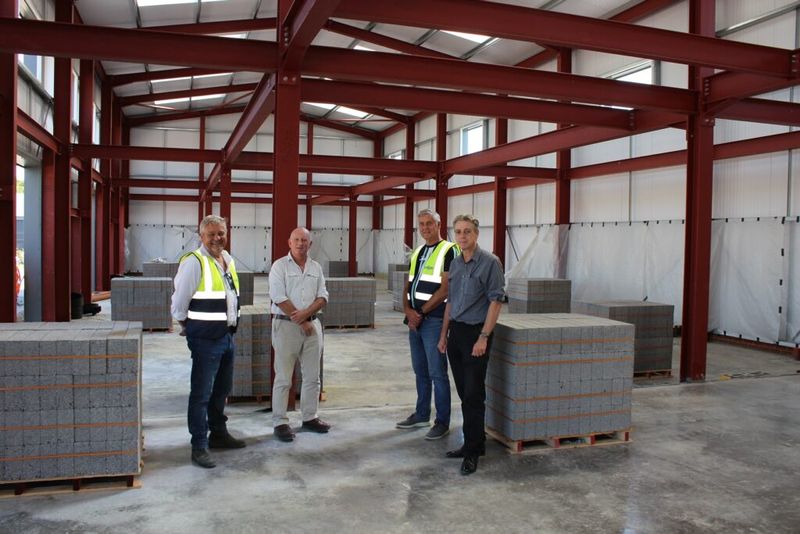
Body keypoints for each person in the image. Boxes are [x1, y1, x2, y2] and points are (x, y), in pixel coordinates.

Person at [171, 215, 246, 469]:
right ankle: (199, 444)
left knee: (221, 391)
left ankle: (219, 434)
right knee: (201, 393)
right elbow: (179, 304)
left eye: (221, 233)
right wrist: (189, 326)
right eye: (211, 234)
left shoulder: (228, 260)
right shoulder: (195, 262)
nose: (217, 238)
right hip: (205, 339)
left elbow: (231, 297)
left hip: (226, 336)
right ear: (201, 236)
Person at [437, 214, 504, 475]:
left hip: (477, 334)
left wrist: (484, 337)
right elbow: (450, 302)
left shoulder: (490, 263)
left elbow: (496, 302)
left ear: (476, 234)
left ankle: (473, 450)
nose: (462, 236)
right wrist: (444, 335)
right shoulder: (455, 263)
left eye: (467, 232)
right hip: (457, 334)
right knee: (465, 393)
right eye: (458, 232)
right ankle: (475, 442)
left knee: (474, 395)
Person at [396, 209, 460, 440]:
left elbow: (446, 289)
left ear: (439, 224)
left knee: (437, 372)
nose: (425, 228)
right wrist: (407, 311)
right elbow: (408, 285)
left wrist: (420, 312)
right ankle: (422, 413)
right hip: (415, 321)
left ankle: (442, 421)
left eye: (429, 224)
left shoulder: (449, 250)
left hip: (433, 321)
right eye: (421, 224)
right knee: (420, 371)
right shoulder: (419, 252)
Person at [269, 227, 330, 442]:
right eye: (296, 239)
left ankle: (310, 417)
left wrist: (307, 316)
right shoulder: (279, 267)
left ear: (310, 244)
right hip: (286, 327)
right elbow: (278, 297)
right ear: (289, 242)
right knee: (284, 377)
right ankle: (280, 421)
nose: (300, 243)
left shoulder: (316, 267)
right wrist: (302, 320)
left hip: (314, 327)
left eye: (304, 240)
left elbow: (323, 296)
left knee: (313, 376)